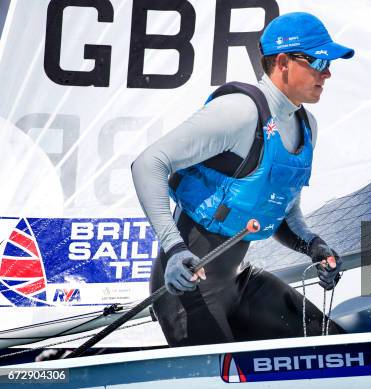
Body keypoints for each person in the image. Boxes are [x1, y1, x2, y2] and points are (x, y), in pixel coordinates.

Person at [131, 12, 354, 347]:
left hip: (239, 282)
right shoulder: (240, 111)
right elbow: (148, 163)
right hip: (187, 288)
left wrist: (314, 246)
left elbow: (284, 212)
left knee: (337, 349)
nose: (327, 72)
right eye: (319, 60)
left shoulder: (307, 126)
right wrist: (174, 248)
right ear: (283, 62)